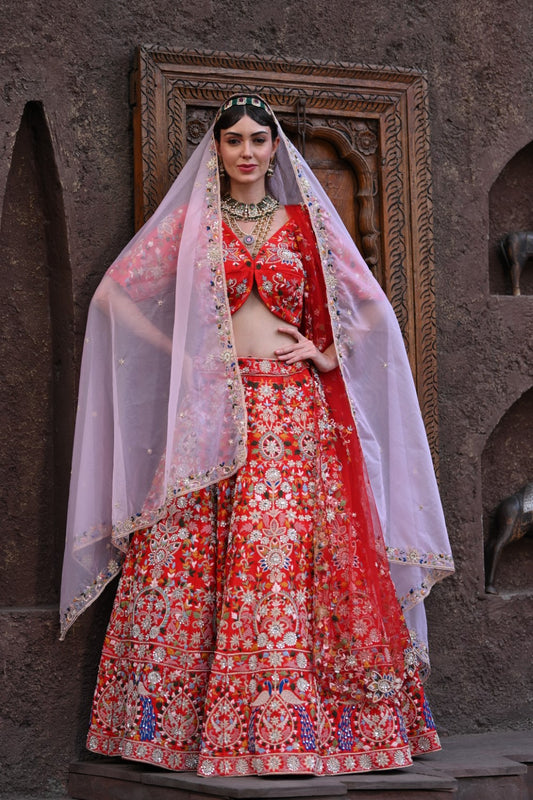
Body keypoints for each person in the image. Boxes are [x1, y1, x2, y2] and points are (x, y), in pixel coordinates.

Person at [60, 94, 454, 777]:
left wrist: (327, 355)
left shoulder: (302, 227)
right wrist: (185, 354)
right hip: (212, 406)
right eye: (233, 139)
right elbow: (114, 296)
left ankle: (301, 730)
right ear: (215, 149)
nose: (245, 150)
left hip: (291, 413)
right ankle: (178, 728)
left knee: (286, 560)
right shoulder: (192, 225)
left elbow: (369, 308)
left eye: (257, 140)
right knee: (190, 555)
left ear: (275, 150)